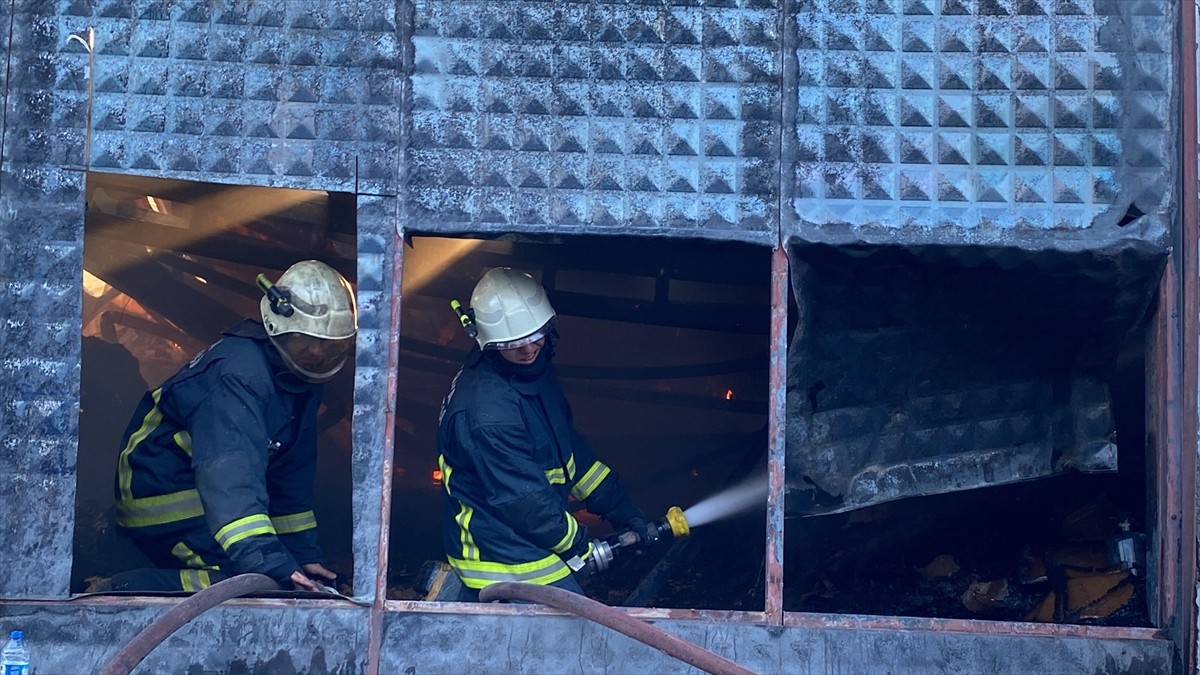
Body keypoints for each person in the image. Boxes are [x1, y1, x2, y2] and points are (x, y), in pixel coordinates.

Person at [106, 260, 356, 593]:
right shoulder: (238, 371)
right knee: (254, 582)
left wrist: (301, 556)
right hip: (163, 496)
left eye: (329, 344)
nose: (316, 352)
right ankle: (122, 589)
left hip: (210, 495)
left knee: (281, 578)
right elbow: (228, 471)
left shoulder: (299, 382)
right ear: (279, 325)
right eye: (306, 339)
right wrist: (265, 559)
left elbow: (291, 476)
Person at [436, 267, 652, 600]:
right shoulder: (488, 411)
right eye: (514, 343)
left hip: (530, 531)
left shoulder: (531, 372)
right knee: (579, 629)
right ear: (488, 342)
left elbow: (568, 452)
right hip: (501, 555)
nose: (528, 349)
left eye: (535, 335)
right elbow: (523, 500)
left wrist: (619, 507)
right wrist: (581, 545)